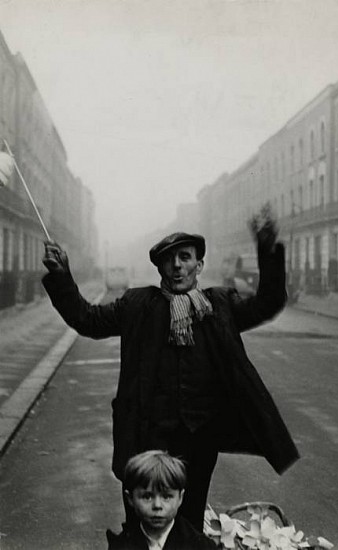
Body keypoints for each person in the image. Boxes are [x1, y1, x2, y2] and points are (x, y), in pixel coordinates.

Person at [42, 209, 299, 533]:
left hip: (200, 439)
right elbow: (87, 319)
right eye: (169, 259)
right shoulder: (138, 305)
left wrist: (267, 249)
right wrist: (62, 275)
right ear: (160, 267)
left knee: (188, 526)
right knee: (144, 524)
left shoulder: (218, 306)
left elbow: (268, 303)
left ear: (198, 266)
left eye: (185, 257)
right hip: (147, 437)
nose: (177, 265)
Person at [106, 449, 217, 549]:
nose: (157, 505)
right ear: (130, 499)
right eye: (147, 497)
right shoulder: (120, 546)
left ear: (180, 498)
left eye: (166, 497)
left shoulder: (200, 546)